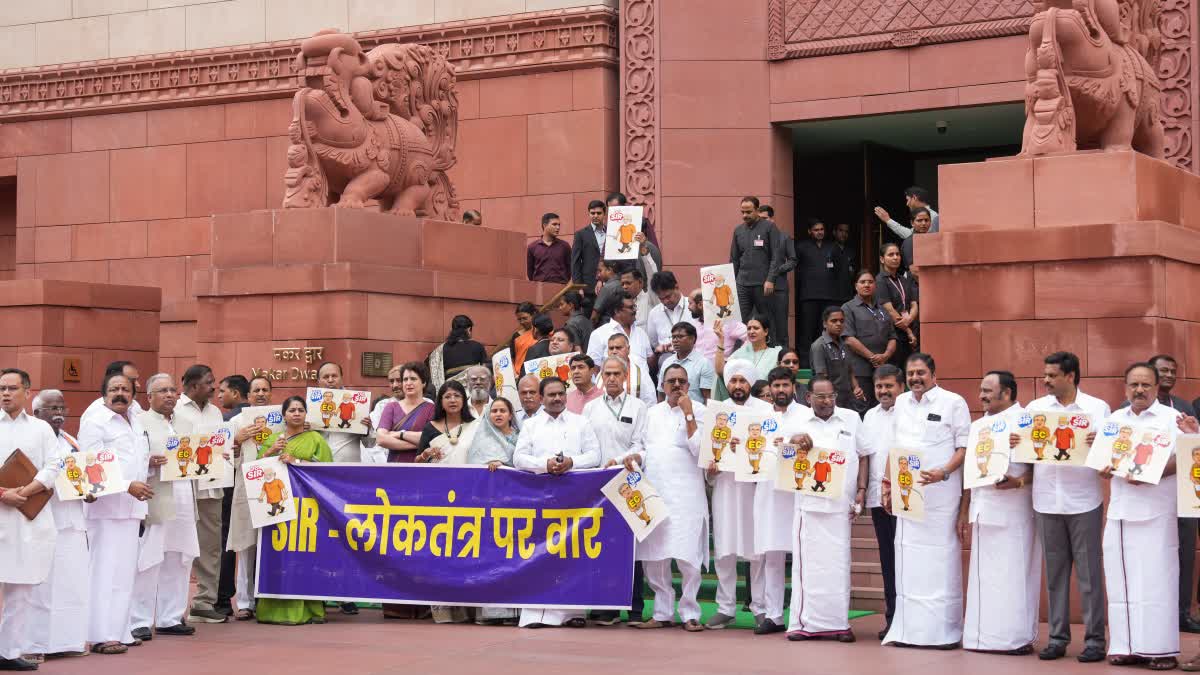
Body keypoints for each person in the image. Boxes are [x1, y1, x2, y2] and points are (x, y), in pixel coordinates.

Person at [1019, 351, 1109, 662]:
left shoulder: (1097, 408)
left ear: (1070, 377)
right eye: (1045, 375)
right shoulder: (1035, 408)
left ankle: (1095, 640)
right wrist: (1018, 443)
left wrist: (1101, 444)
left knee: (1089, 574)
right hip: (1046, 500)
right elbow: (1026, 453)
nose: (1045, 380)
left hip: (1084, 500)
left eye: (1051, 376)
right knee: (1055, 575)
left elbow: (1108, 456)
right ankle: (1057, 638)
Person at [881, 353, 970, 649]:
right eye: (911, 374)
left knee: (939, 560)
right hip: (908, 495)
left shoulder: (953, 402)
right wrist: (886, 484)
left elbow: (963, 448)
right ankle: (908, 631)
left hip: (941, 497)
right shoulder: (902, 403)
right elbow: (894, 448)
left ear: (933, 374)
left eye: (921, 373)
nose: (915, 378)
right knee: (909, 560)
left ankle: (943, 633)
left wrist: (943, 472)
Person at [1096, 363, 1180, 669]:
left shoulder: (1173, 419)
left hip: (1157, 510)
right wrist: (1103, 468)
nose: (1139, 390)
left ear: (1157, 387)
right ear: (1125, 387)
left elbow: (1187, 456)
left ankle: (1161, 649)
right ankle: (1126, 646)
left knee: (1157, 581)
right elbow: (1104, 461)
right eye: (1134, 385)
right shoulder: (1115, 420)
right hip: (1120, 510)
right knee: (1121, 581)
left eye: (1146, 385)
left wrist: (1153, 473)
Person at [957, 370, 1039, 655]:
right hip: (983, 509)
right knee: (984, 578)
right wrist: (964, 511)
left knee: (1014, 576)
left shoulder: (1025, 419)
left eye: (987, 391)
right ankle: (981, 638)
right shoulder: (979, 425)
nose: (981, 396)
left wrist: (1018, 482)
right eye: (981, 390)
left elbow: (1040, 468)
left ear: (1007, 393)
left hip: (1014, 510)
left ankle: (1015, 639)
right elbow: (970, 472)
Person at [782, 375, 866, 643]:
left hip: (841, 507)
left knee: (838, 566)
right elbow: (784, 457)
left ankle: (839, 624)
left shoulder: (851, 418)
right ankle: (802, 623)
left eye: (831, 396)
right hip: (809, 508)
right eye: (820, 397)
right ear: (808, 398)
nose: (827, 401)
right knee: (808, 568)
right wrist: (795, 441)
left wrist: (861, 493)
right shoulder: (797, 421)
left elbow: (864, 456)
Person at [624, 363, 707, 632]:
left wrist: (689, 414)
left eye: (682, 380)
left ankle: (690, 612)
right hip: (655, 491)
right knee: (655, 556)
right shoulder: (651, 413)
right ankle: (661, 612)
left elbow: (701, 451)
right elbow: (646, 448)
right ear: (661, 385)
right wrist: (637, 457)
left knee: (688, 556)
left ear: (689, 384)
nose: (677, 385)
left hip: (688, 495)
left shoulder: (701, 410)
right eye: (671, 381)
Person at [513, 377, 601, 628]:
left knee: (572, 554)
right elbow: (518, 458)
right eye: (551, 395)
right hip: (540, 498)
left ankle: (574, 612)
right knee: (541, 553)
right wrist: (545, 465)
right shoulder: (531, 426)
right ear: (541, 398)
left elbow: (595, 455)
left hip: (576, 500)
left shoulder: (581, 422)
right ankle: (537, 613)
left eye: (561, 394)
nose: (557, 399)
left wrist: (572, 462)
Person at [79, 370, 154, 655]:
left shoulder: (136, 420)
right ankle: (99, 634)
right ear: (104, 394)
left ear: (133, 393)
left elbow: (136, 459)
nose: (119, 393)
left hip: (133, 508)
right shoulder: (95, 423)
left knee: (125, 574)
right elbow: (90, 468)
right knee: (103, 572)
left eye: (124, 388)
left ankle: (120, 629)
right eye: (113, 389)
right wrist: (126, 486)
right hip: (106, 509)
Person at [0, 369, 62, 670]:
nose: (6, 394)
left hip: (28, 515)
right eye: (1, 388)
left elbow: (53, 466)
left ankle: (9, 652)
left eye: (12, 388)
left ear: (27, 391)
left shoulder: (41, 429)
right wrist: (3, 494)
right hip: (1, 511)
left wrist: (26, 490)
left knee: (21, 588)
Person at [705, 359, 773, 630]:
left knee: (756, 551)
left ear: (751, 383)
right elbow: (709, 464)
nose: (737, 386)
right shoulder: (717, 414)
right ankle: (726, 607)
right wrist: (712, 467)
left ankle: (760, 607)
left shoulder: (766, 412)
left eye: (742, 381)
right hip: (725, 489)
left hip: (756, 490)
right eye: (733, 380)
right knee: (724, 549)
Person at [254, 396, 334, 625]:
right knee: (277, 555)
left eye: (300, 410)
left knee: (304, 555)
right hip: (275, 508)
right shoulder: (272, 439)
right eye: (292, 410)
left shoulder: (316, 439)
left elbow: (327, 470)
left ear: (306, 414)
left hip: (305, 508)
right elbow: (256, 470)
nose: (296, 414)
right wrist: (271, 452)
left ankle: (308, 608)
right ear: (284, 415)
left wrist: (296, 460)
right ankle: (272, 608)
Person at [22, 390, 89, 662]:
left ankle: (66, 640)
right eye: (51, 408)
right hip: (43, 518)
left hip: (72, 521)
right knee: (41, 586)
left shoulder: (72, 440)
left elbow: (82, 475)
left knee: (71, 583)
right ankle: (34, 644)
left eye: (61, 406)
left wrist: (89, 490)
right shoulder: (33, 438)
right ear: (37, 413)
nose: (58, 411)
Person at [131, 373, 199, 642]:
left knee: (180, 558)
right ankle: (140, 620)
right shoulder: (139, 423)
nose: (170, 395)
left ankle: (170, 617)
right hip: (157, 496)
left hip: (184, 497)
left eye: (173, 390)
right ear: (149, 397)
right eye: (162, 391)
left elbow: (197, 456)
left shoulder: (187, 422)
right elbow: (132, 458)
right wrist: (148, 462)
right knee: (149, 560)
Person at [584, 356, 650, 626]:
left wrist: (624, 459)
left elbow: (642, 443)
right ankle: (605, 608)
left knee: (631, 549)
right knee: (602, 546)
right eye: (607, 374)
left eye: (616, 374)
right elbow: (586, 445)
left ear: (625, 377)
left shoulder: (639, 407)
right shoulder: (590, 409)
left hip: (629, 481)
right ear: (601, 377)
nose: (611, 378)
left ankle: (635, 608)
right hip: (597, 484)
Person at [1140, 355, 1200, 632]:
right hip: (1148, 497)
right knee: (1152, 555)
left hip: (1184, 494)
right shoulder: (1133, 408)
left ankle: (1182, 614)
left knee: (1186, 554)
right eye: (1163, 370)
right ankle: (1155, 614)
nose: (1169, 375)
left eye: (1173, 371)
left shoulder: (1186, 408)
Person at [168, 364, 229, 626]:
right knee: (175, 546)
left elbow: (219, 444)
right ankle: (168, 608)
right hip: (181, 488)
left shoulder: (216, 411)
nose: (214, 387)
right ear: (194, 386)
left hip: (211, 485)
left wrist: (228, 450)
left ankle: (204, 602)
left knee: (210, 545)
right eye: (209, 382)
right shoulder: (173, 409)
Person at [757, 366, 811, 636]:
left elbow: (813, 448)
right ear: (770, 388)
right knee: (772, 554)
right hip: (767, 491)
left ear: (794, 387)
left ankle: (805, 613)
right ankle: (774, 615)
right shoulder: (759, 417)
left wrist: (791, 443)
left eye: (785, 386)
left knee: (803, 554)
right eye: (776, 386)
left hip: (797, 493)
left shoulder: (807, 415)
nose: (780, 390)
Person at [467, 398, 522, 626]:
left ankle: (515, 613)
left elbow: (526, 462)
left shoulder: (522, 438)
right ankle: (491, 613)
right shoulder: (482, 439)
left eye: (503, 410)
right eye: (494, 411)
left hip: (517, 505)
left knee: (514, 556)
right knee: (490, 556)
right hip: (488, 506)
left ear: (511, 414)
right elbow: (473, 466)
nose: (498, 414)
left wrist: (506, 465)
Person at [860, 364, 904, 638]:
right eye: (879, 386)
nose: (884, 391)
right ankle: (892, 618)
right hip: (878, 499)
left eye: (889, 386)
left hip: (906, 498)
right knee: (888, 560)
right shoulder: (869, 417)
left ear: (901, 387)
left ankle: (909, 619)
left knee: (907, 558)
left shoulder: (910, 413)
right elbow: (865, 455)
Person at [227, 375, 273, 621]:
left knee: (271, 543)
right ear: (248, 396)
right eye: (256, 390)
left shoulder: (280, 419)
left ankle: (267, 597)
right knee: (246, 544)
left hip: (274, 485)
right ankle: (244, 602)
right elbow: (224, 458)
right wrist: (237, 440)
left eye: (265, 389)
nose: (261, 394)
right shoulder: (236, 422)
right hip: (245, 485)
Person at [214, 374, 249, 616]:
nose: (218, 395)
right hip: (251, 487)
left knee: (225, 542)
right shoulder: (272, 418)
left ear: (235, 393)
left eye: (222, 390)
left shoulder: (226, 420)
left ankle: (223, 599)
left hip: (229, 486)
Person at [729, 196, 786, 344]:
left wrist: (770, 279)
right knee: (740, 322)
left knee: (767, 319)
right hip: (742, 283)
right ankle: (742, 352)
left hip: (763, 283)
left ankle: (771, 351)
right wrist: (730, 283)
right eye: (742, 212)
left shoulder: (769, 227)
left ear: (757, 210)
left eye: (748, 212)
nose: (744, 215)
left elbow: (776, 256)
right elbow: (734, 259)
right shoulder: (738, 230)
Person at [842, 270, 896, 409]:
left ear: (875, 285)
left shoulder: (882, 309)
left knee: (884, 409)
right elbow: (849, 339)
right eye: (863, 282)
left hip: (882, 370)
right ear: (856, 286)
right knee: (862, 408)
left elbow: (892, 337)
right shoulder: (848, 308)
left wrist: (885, 356)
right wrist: (873, 358)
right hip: (860, 371)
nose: (867, 285)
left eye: (870, 282)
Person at [795, 219, 841, 363]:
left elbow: (840, 271)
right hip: (809, 295)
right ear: (809, 232)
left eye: (821, 229)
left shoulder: (832, 246)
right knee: (807, 330)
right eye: (816, 230)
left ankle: (826, 360)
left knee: (825, 331)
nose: (819, 232)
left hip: (829, 295)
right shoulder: (801, 247)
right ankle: (805, 363)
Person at [376, 362, 437, 465]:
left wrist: (399, 434)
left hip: (421, 468)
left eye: (413, 379)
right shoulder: (391, 407)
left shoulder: (431, 409)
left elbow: (433, 440)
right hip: (395, 467)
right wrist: (420, 443)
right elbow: (381, 439)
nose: (408, 383)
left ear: (424, 382)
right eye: (405, 379)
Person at [809, 306, 865, 412]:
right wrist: (829, 400)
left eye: (841, 321)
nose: (839, 324)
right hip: (830, 402)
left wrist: (856, 388)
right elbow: (822, 378)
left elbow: (850, 371)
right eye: (834, 321)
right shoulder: (819, 346)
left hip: (848, 400)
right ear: (825, 324)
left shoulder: (845, 344)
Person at [875, 243, 918, 368]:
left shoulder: (903, 279)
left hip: (909, 331)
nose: (895, 257)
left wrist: (909, 319)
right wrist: (908, 330)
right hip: (894, 334)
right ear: (882, 259)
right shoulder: (880, 281)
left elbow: (914, 304)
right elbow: (889, 310)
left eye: (897, 254)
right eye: (891, 255)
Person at [415, 381, 478, 466]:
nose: (452, 400)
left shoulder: (475, 426)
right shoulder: (430, 427)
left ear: (463, 400)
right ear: (441, 402)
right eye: (447, 397)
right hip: (439, 477)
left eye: (457, 396)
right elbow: (417, 463)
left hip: (469, 477)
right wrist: (425, 454)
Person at [587, 292, 652, 366]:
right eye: (631, 307)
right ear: (617, 311)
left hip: (641, 377)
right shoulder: (599, 334)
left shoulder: (641, 332)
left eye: (635, 306)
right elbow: (593, 367)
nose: (635, 310)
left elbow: (649, 361)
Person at [657, 322, 714, 403]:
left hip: (694, 412)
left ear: (692, 339)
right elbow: (661, 394)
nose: (675, 340)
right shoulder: (667, 362)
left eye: (680, 337)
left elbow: (708, 398)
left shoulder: (704, 364)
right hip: (669, 413)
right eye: (673, 337)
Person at [429, 314, 489, 389]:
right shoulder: (478, 346)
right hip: (473, 392)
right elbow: (485, 372)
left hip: (450, 391)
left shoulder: (440, 350)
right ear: (468, 329)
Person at [689, 288, 746, 361]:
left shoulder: (728, 322)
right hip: (695, 369)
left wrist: (733, 359)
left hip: (718, 370)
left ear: (700, 304)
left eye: (690, 303)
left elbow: (749, 338)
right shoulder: (693, 324)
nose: (689, 307)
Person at [571, 200, 608, 310]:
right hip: (589, 286)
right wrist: (578, 286)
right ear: (589, 214)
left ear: (604, 214)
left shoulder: (612, 232)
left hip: (609, 282)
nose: (595, 216)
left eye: (598, 213)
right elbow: (575, 262)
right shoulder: (581, 234)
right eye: (592, 213)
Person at [81, 360, 144, 426]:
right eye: (132, 380)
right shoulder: (95, 412)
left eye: (137, 379)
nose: (138, 385)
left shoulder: (134, 405)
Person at [646, 271, 693, 356]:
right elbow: (654, 342)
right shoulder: (654, 313)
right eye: (661, 299)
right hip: (666, 360)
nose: (665, 301)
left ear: (676, 287)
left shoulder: (692, 307)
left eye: (668, 296)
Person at [606, 333, 657, 408]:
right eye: (611, 348)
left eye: (618, 348)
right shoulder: (602, 373)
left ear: (628, 349)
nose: (614, 351)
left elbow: (650, 402)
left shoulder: (640, 373)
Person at [872, 186, 940, 237]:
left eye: (908, 200)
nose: (907, 204)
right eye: (920, 220)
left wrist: (888, 220)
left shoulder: (933, 216)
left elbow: (910, 235)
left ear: (914, 198)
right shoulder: (932, 215)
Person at [527, 212, 571, 283]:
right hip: (540, 289)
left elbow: (570, 269)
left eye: (559, 225)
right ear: (544, 225)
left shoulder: (565, 246)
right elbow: (530, 273)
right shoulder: (532, 247)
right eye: (554, 224)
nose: (558, 227)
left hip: (561, 289)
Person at [621, 267, 659, 333]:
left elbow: (652, 275)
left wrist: (646, 256)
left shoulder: (650, 298)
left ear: (640, 282)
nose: (624, 287)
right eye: (622, 284)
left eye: (628, 283)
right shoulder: (620, 304)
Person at [900, 207, 933, 272]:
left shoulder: (932, 240)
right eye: (919, 220)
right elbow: (914, 271)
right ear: (912, 223)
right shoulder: (909, 242)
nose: (923, 223)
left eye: (926, 220)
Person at [832, 222, 857, 302]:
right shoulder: (829, 249)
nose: (844, 234)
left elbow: (853, 270)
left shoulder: (851, 251)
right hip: (832, 293)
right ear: (834, 232)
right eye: (841, 231)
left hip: (848, 292)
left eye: (846, 232)